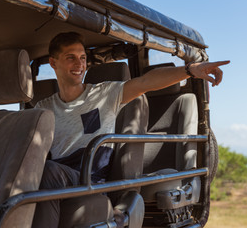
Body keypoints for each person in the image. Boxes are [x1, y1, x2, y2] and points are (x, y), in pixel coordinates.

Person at [32, 32, 230, 227]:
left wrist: (190, 70)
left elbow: (146, 82)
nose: (80, 64)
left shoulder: (104, 94)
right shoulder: (43, 107)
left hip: (88, 178)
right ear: (53, 63)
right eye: (71, 58)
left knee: (48, 173)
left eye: (83, 58)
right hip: (57, 176)